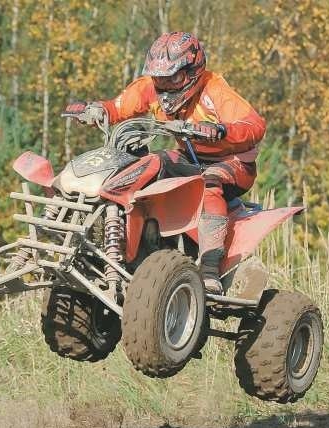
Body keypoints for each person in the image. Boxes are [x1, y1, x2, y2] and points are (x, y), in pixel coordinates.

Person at [65, 31, 266, 294]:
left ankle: (209, 270)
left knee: (210, 184)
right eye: (160, 78)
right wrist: (96, 110)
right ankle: (137, 243)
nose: (166, 85)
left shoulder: (214, 89)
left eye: (174, 77)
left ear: (193, 70)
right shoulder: (151, 87)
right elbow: (119, 106)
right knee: (150, 163)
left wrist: (220, 130)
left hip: (232, 161)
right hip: (188, 156)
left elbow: (255, 125)